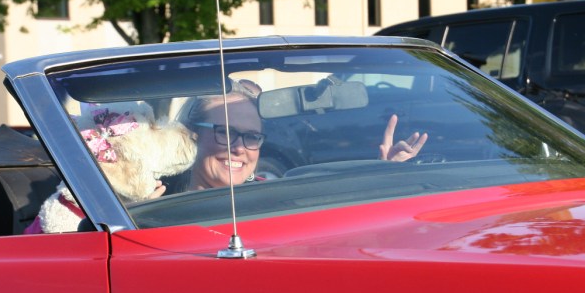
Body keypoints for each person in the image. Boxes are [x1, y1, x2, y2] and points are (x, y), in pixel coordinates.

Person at [161, 84, 427, 195]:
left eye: (251, 136)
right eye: (226, 133)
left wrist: (383, 174)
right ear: (191, 134)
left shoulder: (279, 197)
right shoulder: (152, 206)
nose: (240, 147)